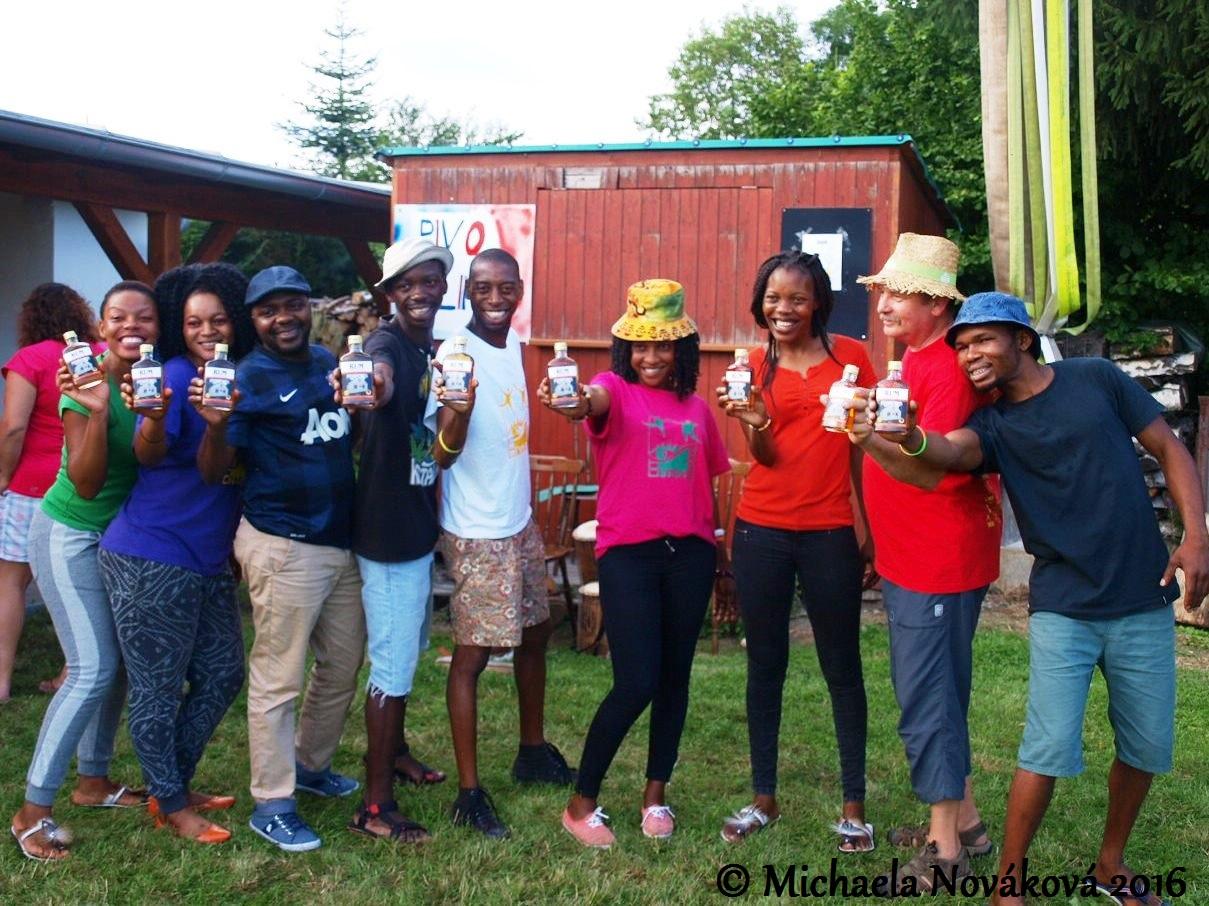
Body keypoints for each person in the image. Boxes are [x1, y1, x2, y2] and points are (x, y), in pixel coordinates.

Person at [851, 292, 1209, 906]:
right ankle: (1008, 886)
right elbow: (948, 453)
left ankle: (1111, 863)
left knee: (1145, 745)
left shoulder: (1095, 379)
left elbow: (1169, 447)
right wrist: (906, 436)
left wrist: (1196, 537)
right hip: (1064, 604)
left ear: (1020, 339)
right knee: (1045, 749)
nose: (970, 355)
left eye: (982, 340)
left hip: (1142, 593)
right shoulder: (992, 425)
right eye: (962, 346)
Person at [540, 279, 731, 848]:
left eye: (662, 345)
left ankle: (655, 796)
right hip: (630, 556)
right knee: (636, 681)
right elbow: (587, 402)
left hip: (691, 555)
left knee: (674, 680)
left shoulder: (697, 409)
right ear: (626, 349)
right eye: (640, 345)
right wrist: (573, 400)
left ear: (681, 349)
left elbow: (702, 488)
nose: (651, 357)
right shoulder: (613, 391)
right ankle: (581, 803)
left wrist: (720, 557)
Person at [197, 265, 365, 853]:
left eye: (292, 304)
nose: (283, 318)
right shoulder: (246, 377)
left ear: (308, 307)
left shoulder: (324, 361)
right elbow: (214, 469)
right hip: (284, 544)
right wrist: (217, 426)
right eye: (268, 311)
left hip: (339, 541)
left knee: (342, 665)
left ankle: (311, 767)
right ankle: (272, 803)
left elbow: (342, 434)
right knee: (279, 677)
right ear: (255, 320)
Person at [717, 249, 877, 852]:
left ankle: (854, 807)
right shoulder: (750, 368)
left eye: (797, 298)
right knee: (766, 663)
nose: (783, 309)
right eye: (773, 298)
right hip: (761, 531)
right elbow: (764, 456)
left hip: (830, 530)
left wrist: (868, 526)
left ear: (818, 303)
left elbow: (861, 450)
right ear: (760, 303)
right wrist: (757, 420)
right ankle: (764, 797)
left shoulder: (852, 360)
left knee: (842, 666)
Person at [854, 234, 1000, 886]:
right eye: (883, 290)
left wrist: (863, 437)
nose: (885, 303)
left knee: (928, 696)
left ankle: (944, 853)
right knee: (937, 687)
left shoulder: (944, 368)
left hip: (937, 558)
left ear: (938, 305)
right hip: (914, 555)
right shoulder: (914, 359)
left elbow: (930, 471)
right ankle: (965, 822)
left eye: (902, 293)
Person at [97, 264, 254, 844]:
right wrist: (196, 425)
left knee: (223, 674)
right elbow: (153, 452)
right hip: (151, 554)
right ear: (178, 327)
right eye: (192, 323)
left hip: (206, 559)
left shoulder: (235, 377)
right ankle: (169, 801)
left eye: (218, 320)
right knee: (158, 689)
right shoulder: (169, 377)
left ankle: (172, 784)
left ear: (236, 322)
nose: (207, 331)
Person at [426, 248, 574, 840]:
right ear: (467, 289)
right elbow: (442, 453)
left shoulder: (511, 343)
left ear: (519, 290)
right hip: (478, 529)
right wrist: (458, 414)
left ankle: (531, 751)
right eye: (483, 288)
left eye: (505, 288)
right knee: (474, 655)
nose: (495, 299)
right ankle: (468, 793)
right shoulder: (456, 353)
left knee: (536, 631)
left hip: (517, 521)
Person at [10, 281, 160, 861]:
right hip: (68, 532)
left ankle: (93, 781)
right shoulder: (83, 383)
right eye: (118, 316)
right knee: (90, 668)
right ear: (101, 327)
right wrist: (97, 413)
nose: (131, 326)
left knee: (115, 662)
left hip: (116, 538)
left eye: (144, 317)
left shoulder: (154, 381)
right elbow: (88, 483)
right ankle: (31, 811)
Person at [335, 237, 451, 844]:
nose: (420, 292)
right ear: (390, 294)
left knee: (407, 648)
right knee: (393, 664)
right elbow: (373, 379)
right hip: (386, 533)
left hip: (414, 525)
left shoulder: (427, 347)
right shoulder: (384, 345)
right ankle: (375, 805)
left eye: (430, 281)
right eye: (407, 284)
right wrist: (368, 385)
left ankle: (396, 753)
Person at [0, 284, 97, 701]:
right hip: (86, 482)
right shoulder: (98, 353)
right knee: (83, 585)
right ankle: (71, 672)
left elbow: (13, 427)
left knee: (11, 582)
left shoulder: (29, 359)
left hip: (32, 485)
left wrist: (2, 476)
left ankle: (1, 681)